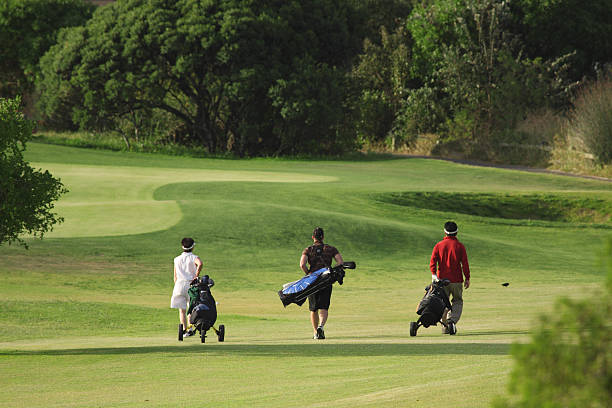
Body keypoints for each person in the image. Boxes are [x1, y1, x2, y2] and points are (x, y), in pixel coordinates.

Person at [300, 227, 344, 340]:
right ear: (323, 237)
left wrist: (308, 274)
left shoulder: (308, 250)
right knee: (324, 307)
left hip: (312, 281)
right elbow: (340, 262)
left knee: (313, 308)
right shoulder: (331, 249)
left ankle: (315, 332)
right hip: (326, 280)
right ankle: (321, 326)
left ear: (313, 237)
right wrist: (333, 272)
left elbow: (302, 264)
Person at [429, 221, 470, 334]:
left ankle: (445, 327)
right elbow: (465, 264)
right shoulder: (460, 246)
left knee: (443, 302)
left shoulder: (439, 245)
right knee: (457, 301)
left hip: (441, 280)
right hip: (456, 280)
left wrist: (434, 274)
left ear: (445, 232)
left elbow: (433, 261)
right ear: (456, 232)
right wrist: (467, 278)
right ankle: (452, 321)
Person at [171, 237, 203, 337]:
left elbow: (175, 277)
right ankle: (191, 328)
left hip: (179, 285)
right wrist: (196, 275)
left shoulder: (176, 259)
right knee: (191, 308)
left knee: (182, 310)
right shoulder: (193, 257)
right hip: (191, 284)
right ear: (193, 247)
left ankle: (185, 331)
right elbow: (200, 264)